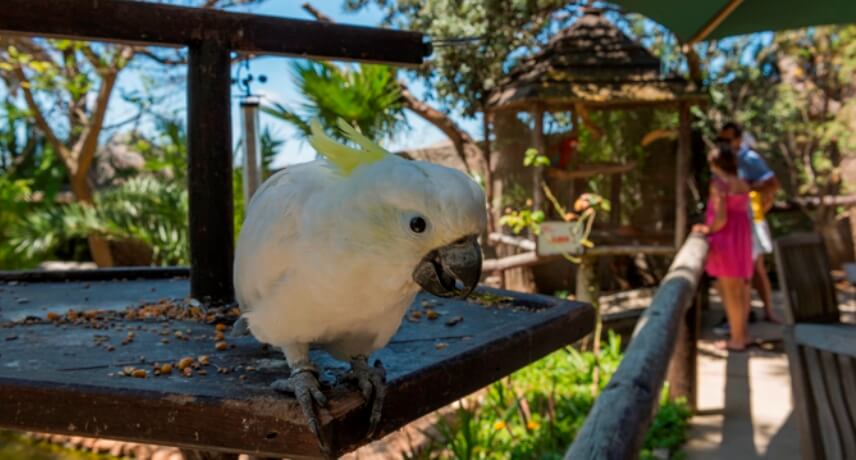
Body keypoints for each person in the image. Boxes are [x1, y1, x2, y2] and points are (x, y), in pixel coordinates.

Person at [719, 122, 782, 326]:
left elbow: (772, 184)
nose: (725, 144)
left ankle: (753, 318)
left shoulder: (749, 158)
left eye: (728, 140)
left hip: (750, 220)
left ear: (738, 139)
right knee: (745, 270)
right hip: (737, 223)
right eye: (721, 140)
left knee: (752, 269)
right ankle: (744, 318)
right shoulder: (726, 160)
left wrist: (749, 191)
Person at [693, 142, 753, 351]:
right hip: (741, 239)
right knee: (741, 291)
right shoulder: (742, 183)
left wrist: (707, 229)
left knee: (729, 292)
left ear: (716, 163)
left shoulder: (719, 184)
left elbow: (720, 217)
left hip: (725, 240)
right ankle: (741, 335)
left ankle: (736, 340)